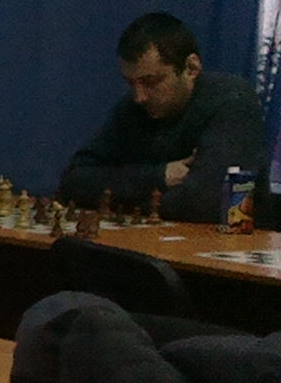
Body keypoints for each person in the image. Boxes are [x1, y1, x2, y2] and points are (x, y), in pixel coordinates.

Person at [58, 12, 266, 224]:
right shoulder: (133, 107)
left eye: (151, 82)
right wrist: (161, 176)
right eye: (131, 83)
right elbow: (73, 183)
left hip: (221, 242)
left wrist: (125, 201)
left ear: (191, 68)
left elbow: (206, 203)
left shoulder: (232, 101)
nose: (139, 96)